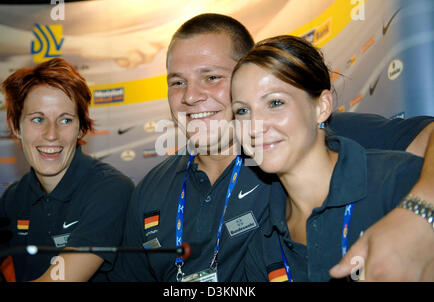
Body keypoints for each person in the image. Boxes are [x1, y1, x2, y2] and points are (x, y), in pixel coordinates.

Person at [110, 13, 434, 282]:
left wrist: (419, 216)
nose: (190, 96)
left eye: (210, 77)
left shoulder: (300, 139)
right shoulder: (151, 190)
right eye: (177, 81)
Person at [231, 35, 431, 281]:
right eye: (242, 110)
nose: (254, 127)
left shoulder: (399, 182)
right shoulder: (263, 246)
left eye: (275, 103)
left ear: (321, 107)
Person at [0, 58, 135, 282]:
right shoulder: (15, 197)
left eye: (65, 120)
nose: (51, 134)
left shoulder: (111, 189)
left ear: (81, 128)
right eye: (37, 119)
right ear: (16, 127)